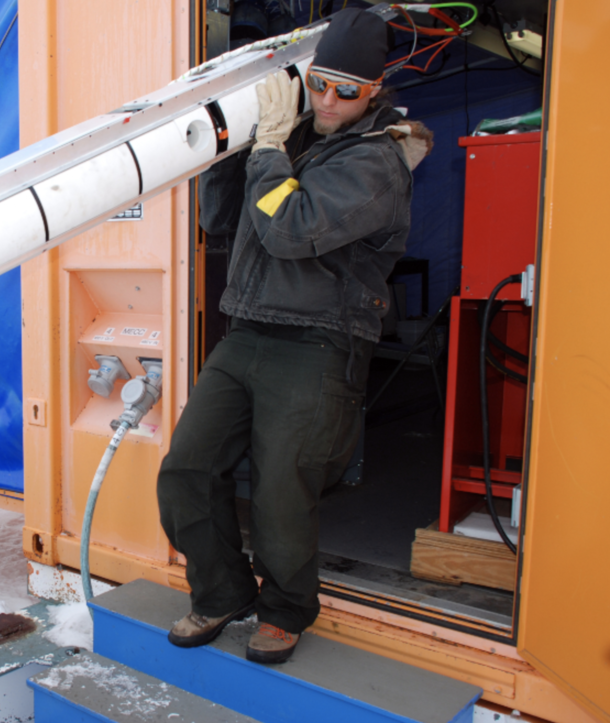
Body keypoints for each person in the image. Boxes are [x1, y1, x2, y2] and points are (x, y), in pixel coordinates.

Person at [156, 8, 433, 664]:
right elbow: (221, 217)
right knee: (187, 469)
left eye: (348, 90)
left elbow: (287, 227)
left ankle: (285, 608)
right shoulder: (291, 136)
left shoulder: (377, 160)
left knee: (284, 488)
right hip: (248, 329)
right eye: (321, 84)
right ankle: (222, 590)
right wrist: (238, 144)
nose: (329, 101)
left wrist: (271, 150)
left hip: (318, 341)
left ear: (375, 92)